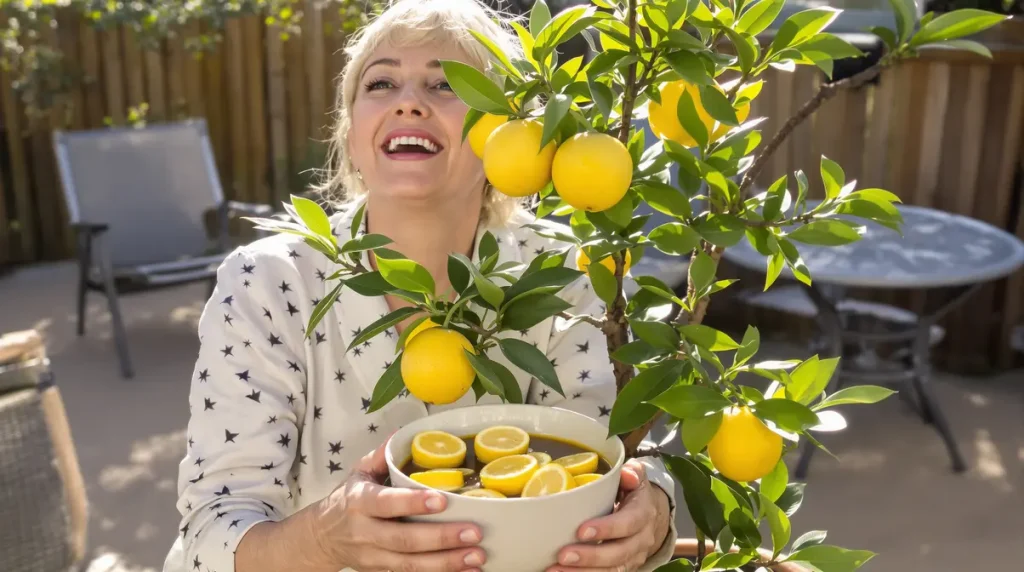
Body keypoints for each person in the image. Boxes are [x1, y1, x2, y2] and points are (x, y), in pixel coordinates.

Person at [162, 1, 679, 570]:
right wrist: (324, 538)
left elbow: (613, 455)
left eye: (446, 84)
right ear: (352, 135)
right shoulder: (268, 282)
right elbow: (211, 536)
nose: (409, 101)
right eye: (381, 82)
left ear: (509, 134)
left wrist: (650, 509)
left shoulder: (563, 269)